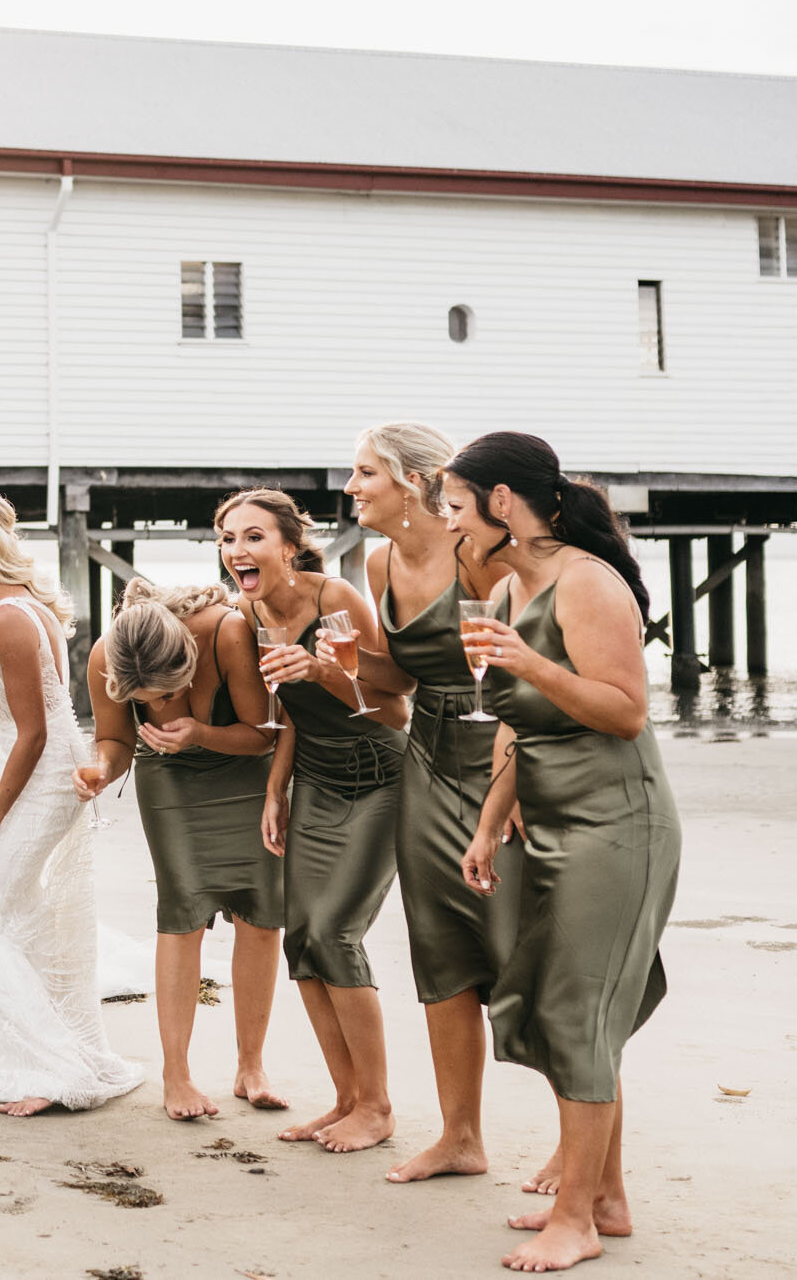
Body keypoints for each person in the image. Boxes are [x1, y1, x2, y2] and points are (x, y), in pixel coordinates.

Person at [447, 432, 677, 1275]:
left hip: (619, 823)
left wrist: (532, 662)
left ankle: (575, 1217)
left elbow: (624, 711)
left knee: (579, 1012)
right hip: (549, 818)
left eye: (455, 506)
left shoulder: (587, 581)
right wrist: (486, 820)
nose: (450, 523)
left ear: (501, 502)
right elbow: (517, 722)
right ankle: (606, 1195)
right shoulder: (512, 585)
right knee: (553, 1003)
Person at [0, 488, 143, 1116]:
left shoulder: (12, 616)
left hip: (40, 782)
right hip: (16, 770)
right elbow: (20, 700)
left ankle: (52, 1070)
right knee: (8, 922)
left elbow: (38, 730)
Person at [341, 424, 520, 1186]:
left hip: (502, 756)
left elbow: (529, 665)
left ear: (415, 479)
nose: (351, 487)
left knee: (522, 948)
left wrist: (519, 784)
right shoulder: (379, 561)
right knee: (440, 947)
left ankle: (579, 1142)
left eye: (363, 472)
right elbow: (395, 687)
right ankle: (459, 1136)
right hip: (427, 761)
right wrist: (342, 664)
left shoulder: (477, 552)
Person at [224, 488, 409, 1154]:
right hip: (318, 784)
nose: (238, 551)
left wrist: (323, 668)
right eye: (228, 539)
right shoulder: (246, 612)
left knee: (337, 932)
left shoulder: (334, 601)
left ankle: (380, 1105)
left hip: (381, 778)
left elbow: (393, 707)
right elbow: (291, 716)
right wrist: (276, 789)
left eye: (253, 537)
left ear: (287, 545)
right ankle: (347, 1098)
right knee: (302, 939)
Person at [76, 575, 284, 1122]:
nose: (162, 704)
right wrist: (100, 771)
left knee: (260, 916)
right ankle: (177, 1073)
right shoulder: (107, 655)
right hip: (168, 781)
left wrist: (199, 732)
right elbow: (117, 741)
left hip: (243, 773)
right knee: (182, 914)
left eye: (168, 692)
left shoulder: (228, 633)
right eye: (150, 700)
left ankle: (250, 1066)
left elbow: (264, 733)